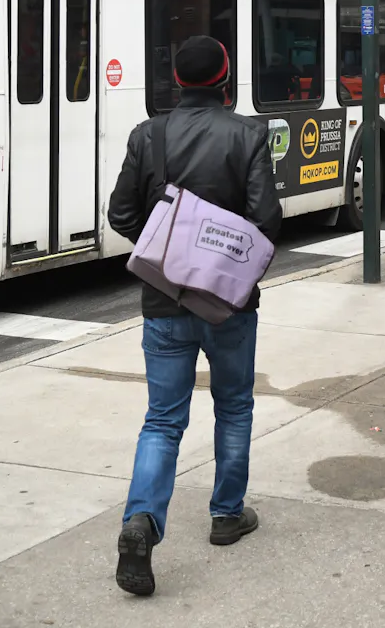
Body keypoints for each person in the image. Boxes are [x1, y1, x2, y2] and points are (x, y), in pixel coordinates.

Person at [106, 35, 283, 597]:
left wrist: (166, 249)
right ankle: (226, 515)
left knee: (162, 419)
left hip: (163, 300)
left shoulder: (148, 135)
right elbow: (266, 220)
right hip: (228, 304)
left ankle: (142, 522)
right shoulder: (249, 134)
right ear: (226, 77)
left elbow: (120, 213)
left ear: (177, 82)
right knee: (233, 406)